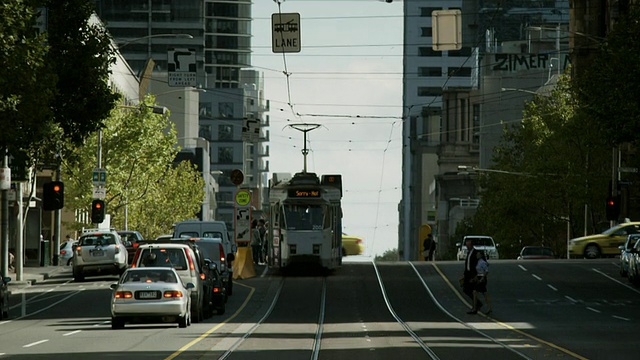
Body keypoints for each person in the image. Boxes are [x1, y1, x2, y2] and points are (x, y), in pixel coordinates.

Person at [469, 250, 492, 315]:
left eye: (478, 254)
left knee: (476, 292)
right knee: (482, 293)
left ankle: (475, 308)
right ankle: (488, 307)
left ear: (481, 255)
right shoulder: (478, 262)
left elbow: (486, 271)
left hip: (482, 279)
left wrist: (482, 279)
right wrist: (474, 279)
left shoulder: (482, 262)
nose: (477, 255)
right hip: (478, 278)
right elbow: (478, 272)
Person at [462, 237, 482, 312]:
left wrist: (476, 276)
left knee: (473, 290)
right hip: (467, 273)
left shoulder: (475, 253)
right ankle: (477, 304)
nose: (467, 245)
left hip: (473, 274)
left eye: (468, 244)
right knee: (466, 289)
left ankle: (475, 306)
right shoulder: (468, 252)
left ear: (471, 244)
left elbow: (477, 264)